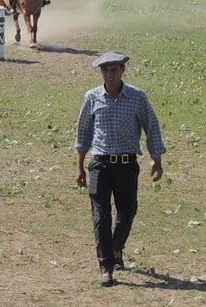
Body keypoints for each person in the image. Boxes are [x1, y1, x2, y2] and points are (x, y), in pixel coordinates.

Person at [74, 51, 166, 288]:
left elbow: (151, 127)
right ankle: (106, 267)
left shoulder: (136, 97)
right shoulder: (92, 97)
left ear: (123, 70)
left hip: (127, 165)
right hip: (99, 165)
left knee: (128, 211)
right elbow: (83, 132)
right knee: (100, 215)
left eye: (114, 69)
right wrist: (80, 167)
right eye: (105, 70)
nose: (110, 74)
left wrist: (157, 159)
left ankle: (116, 248)